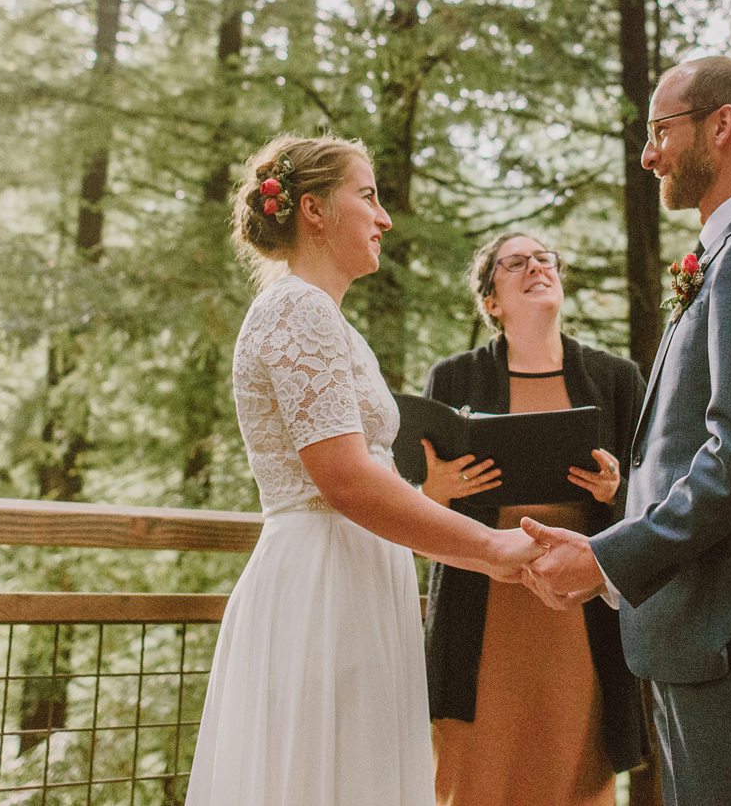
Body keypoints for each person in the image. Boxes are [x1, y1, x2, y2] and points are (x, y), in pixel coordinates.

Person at [186, 135, 544, 806]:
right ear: (315, 210)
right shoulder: (299, 308)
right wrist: (491, 549)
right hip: (322, 587)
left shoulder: (324, 317)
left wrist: (419, 495)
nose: (384, 218)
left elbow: (349, 468)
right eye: (369, 195)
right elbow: (344, 480)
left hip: (351, 572)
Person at [520, 57, 731, 806]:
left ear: (720, 125)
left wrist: (606, 557)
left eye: (660, 130)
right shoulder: (728, 254)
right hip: (702, 629)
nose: (648, 153)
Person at [418, 232, 647, 806]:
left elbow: (657, 501)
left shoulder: (617, 379)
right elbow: (416, 506)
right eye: (514, 263)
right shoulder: (454, 380)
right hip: (482, 610)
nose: (535, 267)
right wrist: (435, 488)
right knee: (474, 781)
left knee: (577, 779)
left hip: (577, 614)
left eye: (545, 259)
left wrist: (617, 491)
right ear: (490, 301)